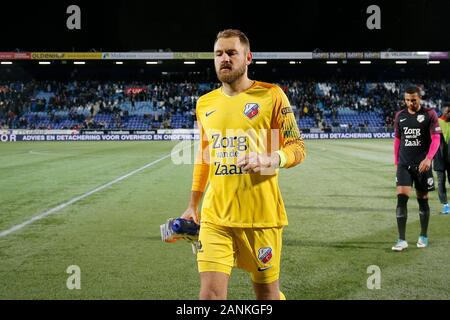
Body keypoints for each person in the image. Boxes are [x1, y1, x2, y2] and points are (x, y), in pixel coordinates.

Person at [181, 29, 305, 300]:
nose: (224, 58)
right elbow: (204, 158)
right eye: (218, 53)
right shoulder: (205, 103)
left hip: (261, 217)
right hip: (216, 217)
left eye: (231, 52)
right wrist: (193, 205)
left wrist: (272, 158)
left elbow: (297, 147)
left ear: (248, 57)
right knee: (210, 296)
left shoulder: (272, 95)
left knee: (267, 296)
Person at [392, 86, 441, 251]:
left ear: (419, 98)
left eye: (413, 100)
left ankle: (423, 235)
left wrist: (429, 158)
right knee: (401, 200)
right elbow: (398, 140)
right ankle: (401, 240)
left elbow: (436, 139)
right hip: (404, 165)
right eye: (407, 100)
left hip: (422, 165)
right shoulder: (400, 115)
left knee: (423, 201)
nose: (410, 103)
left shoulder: (430, 114)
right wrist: (396, 162)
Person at [433, 104, 450, 214]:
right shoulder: (436, 122)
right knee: (441, 181)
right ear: (445, 112)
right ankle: (445, 205)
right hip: (439, 157)